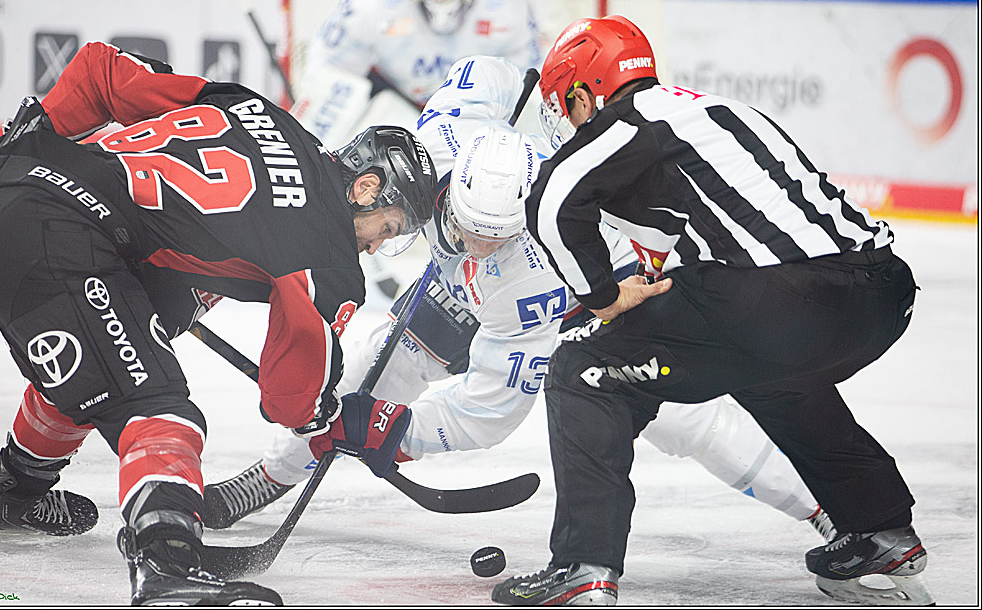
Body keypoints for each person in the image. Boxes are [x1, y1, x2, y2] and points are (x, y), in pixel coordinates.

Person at [202, 56, 835, 549]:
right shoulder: (444, 132)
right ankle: (272, 475)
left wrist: (399, 433)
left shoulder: (527, 272)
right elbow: (492, 74)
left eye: (491, 237)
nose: (476, 244)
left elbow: (491, 408)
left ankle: (822, 507)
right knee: (369, 356)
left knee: (683, 419)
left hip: (591, 290)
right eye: (466, 226)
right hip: (467, 290)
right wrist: (538, 102)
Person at [0, 41, 436, 606]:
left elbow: (100, 69)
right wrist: (323, 415)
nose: (381, 245)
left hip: (15, 195)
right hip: (63, 236)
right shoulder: (329, 253)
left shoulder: (255, 108)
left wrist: (40, 129)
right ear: (366, 187)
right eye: (388, 226)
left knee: (106, 361)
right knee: (157, 408)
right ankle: (167, 565)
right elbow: (288, 394)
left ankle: (14, 493)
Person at [491, 16, 931, 606]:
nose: (566, 123)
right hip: (881, 294)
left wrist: (601, 298)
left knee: (581, 362)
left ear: (583, 92)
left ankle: (582, 565)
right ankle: (880, 527)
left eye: (565, 107)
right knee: (771, 373)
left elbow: (550, 199)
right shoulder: (722, 112)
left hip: (785, 299)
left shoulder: (633, 119)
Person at [294, 0, 542, 300]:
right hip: (403, 114)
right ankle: (354, 225)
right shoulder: (373, 0)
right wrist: (313, 148)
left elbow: (528, 89)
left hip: (476, 120)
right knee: (336, 128)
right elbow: (329, 74)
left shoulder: (507, 6)